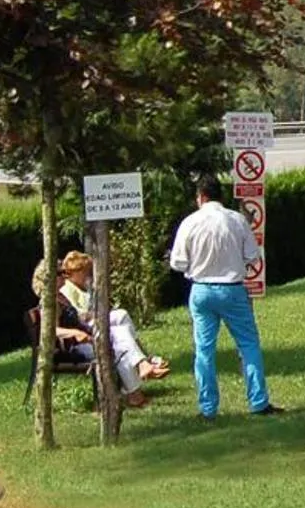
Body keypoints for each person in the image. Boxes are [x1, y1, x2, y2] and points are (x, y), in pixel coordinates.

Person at [169, 176, 281, 418]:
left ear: (200, 197)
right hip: (232, 288)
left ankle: (208, 408)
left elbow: (177, 262)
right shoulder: (236, 220)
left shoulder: (190, 222)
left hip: (201, 289)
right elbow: (252, 256)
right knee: (248, 344)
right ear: (220, 195)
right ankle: (258, 401)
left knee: (204, 349)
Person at [57, 250, 169, 402]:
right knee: (119, 342)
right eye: (84, 271)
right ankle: (138, 379)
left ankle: (140, 369)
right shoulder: (63, 294)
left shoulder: (75, 290)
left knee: (122, 329)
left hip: (89, 328)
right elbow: (73, 320)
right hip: (81, 339)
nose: (88, 274)